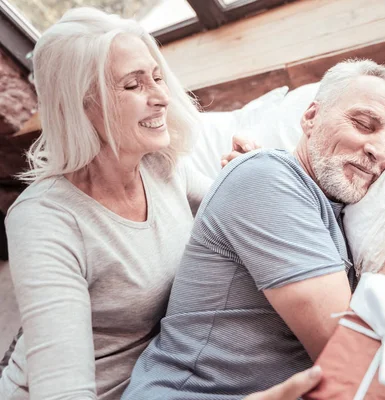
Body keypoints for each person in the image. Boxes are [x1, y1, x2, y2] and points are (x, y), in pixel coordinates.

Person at [0, 7, 323, 400]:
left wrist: (249, 176)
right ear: (81, 104)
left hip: (169, 375)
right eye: (133, 86)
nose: (161, 97)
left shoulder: (160, 167)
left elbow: (239, 213)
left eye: (156, 77)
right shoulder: (44, 221)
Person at [123, 60, 385, 399]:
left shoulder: (341, 213)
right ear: (311, 117)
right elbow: (349, 355)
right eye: (364, 124)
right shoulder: (265, 177)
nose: (379, 149)